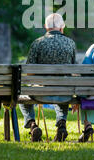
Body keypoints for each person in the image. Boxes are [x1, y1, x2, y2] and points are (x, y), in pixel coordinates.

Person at [19, 13, 76, 142]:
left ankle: (32, 125)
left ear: (46, 27)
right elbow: (73, 70)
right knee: (62, 89)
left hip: (40, 93)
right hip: (65, 93)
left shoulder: (37, 43)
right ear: (62, 27)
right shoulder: (70, 43)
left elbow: (29, 71)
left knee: (22, 97)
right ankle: (61, 124)